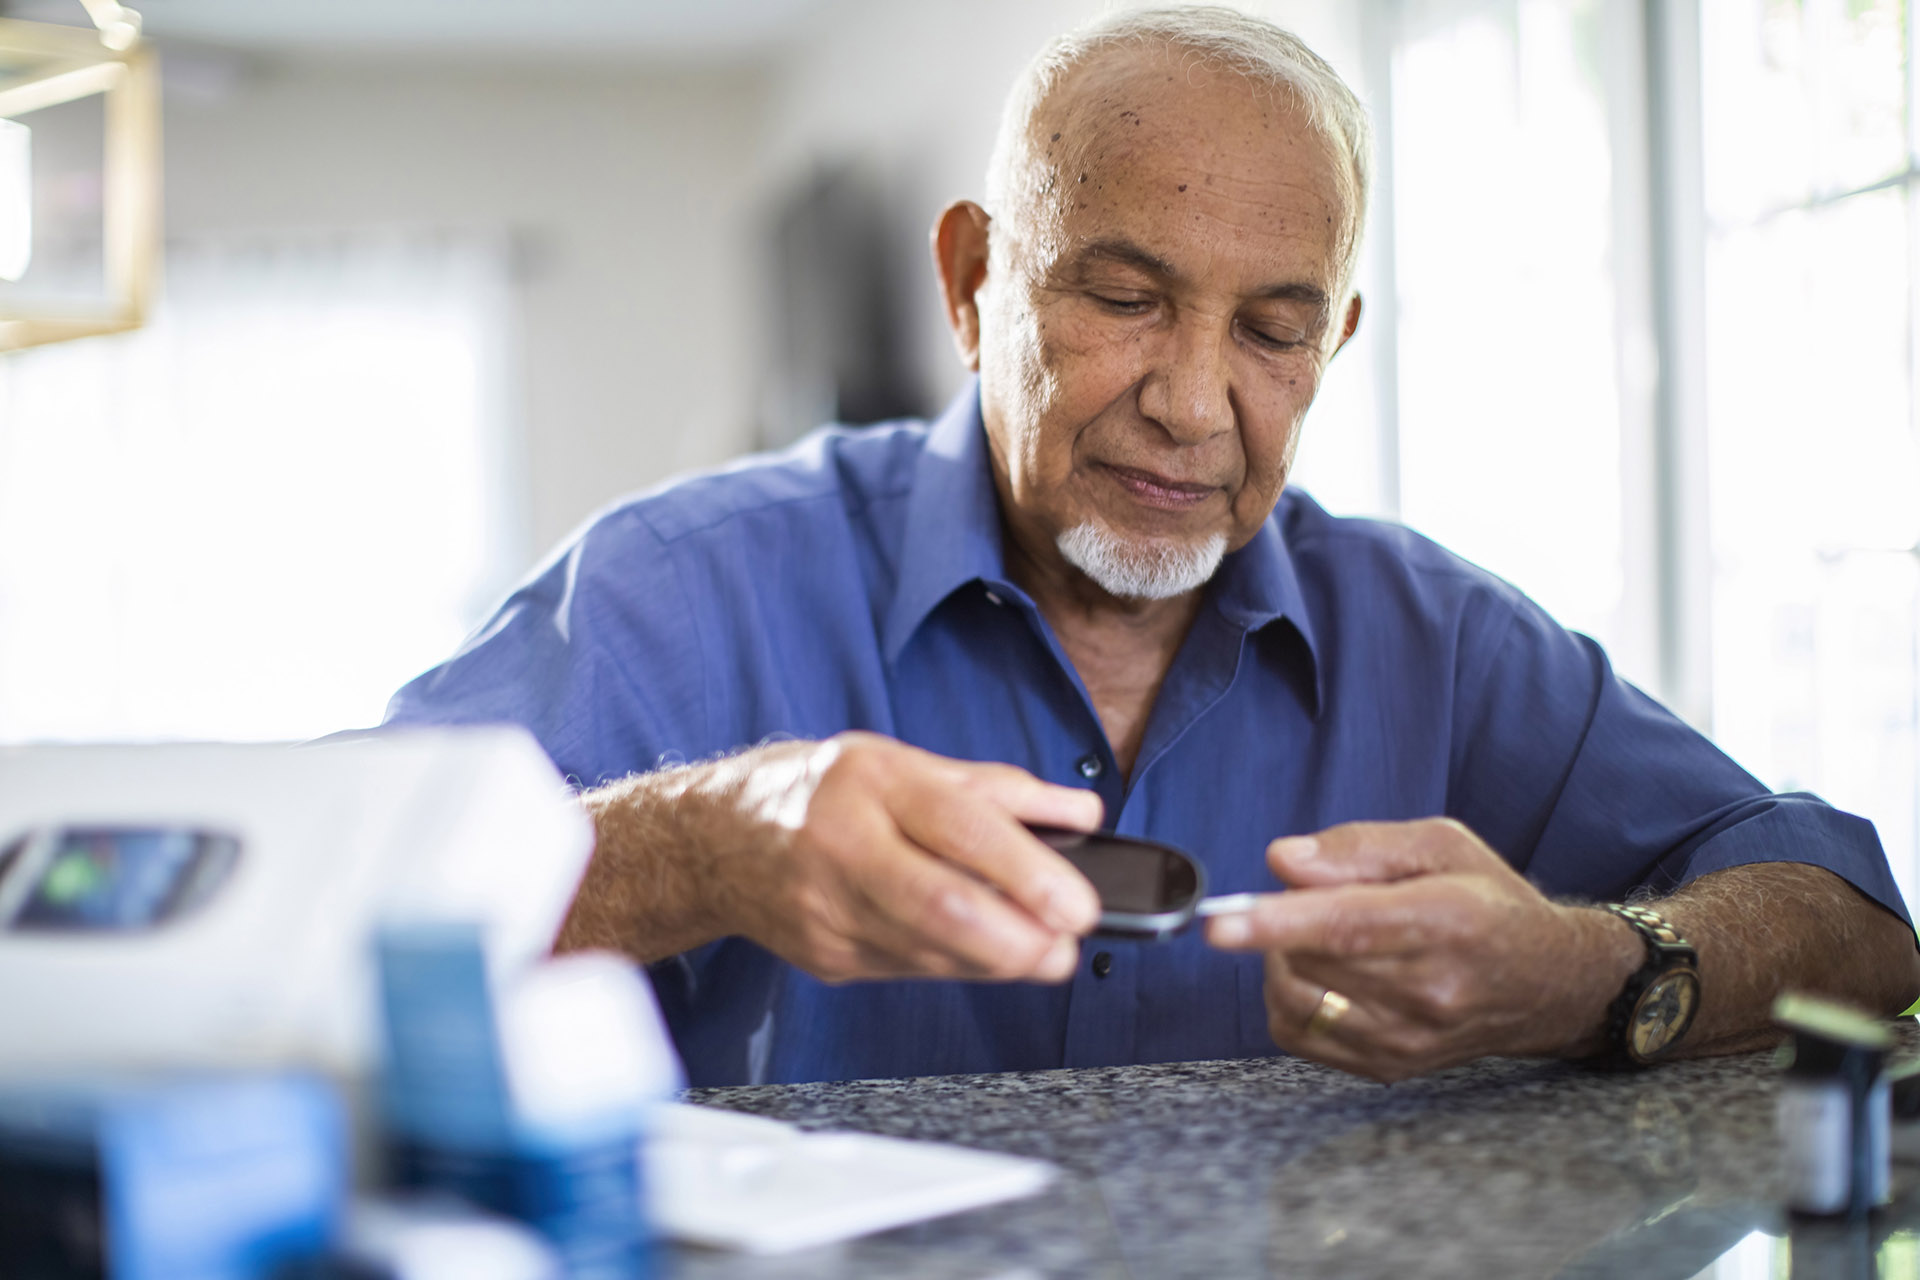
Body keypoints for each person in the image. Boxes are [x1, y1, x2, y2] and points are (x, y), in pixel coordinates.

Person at [386, 6, 1919, 1087]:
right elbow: (318, 905)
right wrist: (709, 843)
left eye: (1272, 331)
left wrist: (1589, 971)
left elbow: (1856, 921)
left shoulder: (1435, 639)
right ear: (976, 280)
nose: (1195, 405)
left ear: (1336, 344)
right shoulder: (685, 586)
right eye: (1122, 298)